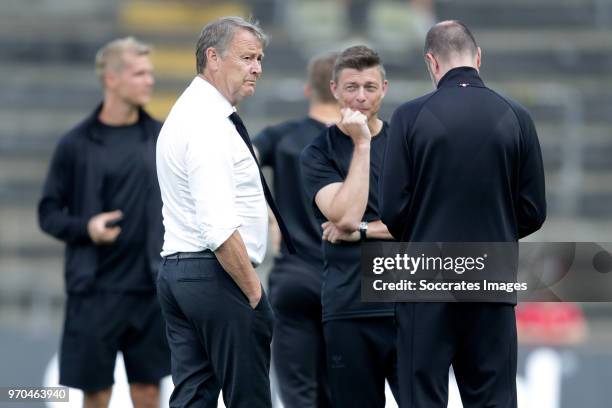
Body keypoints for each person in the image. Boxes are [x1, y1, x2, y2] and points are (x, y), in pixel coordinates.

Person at [379, 20, 546, 407]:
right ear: (478, 58)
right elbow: (534, 210)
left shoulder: (409, 116)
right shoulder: (517, 115)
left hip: (424, 279)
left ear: (431, 62)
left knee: (422, 397)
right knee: (493, 398)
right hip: (490, 277)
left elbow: (392, 210)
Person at [155, 16, 294, 407]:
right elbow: (217, 227)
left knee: (193, 397)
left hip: (184, 271)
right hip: (217, 275)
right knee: (247, 398)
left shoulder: (193, 112)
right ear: (213, 58)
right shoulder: (207, 124)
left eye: (260, 58)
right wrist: (253, 292)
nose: (257, 68)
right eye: (247, 57)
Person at [38, 37, 170, 408]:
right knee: (96, 394)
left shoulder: (162, 138)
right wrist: (86, 228)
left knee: (148, 391)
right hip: (94, 292)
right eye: (139, 72)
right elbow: (47, 213)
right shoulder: (75, 144)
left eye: (151, 72)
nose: (149, 80)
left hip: (150, 288)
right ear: (111, 79)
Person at [300, 45, 399, 408]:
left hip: (409, 303)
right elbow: (342, 215)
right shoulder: (318, 151)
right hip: (348, 306)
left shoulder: (409, 144)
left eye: (370, 87)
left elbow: (423, 222)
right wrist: (362, 145)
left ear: (384, 88)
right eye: (352, 87)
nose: (360, 96)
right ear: (335, 90)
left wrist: (361, 232)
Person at [253, 52, 340, 408]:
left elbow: (237, 162)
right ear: (343, 90)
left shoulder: (283, 136)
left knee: (298, 394)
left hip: (293, 276)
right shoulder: (362, 142)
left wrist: (266, 214)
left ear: (309, 89)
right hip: (348, 278)